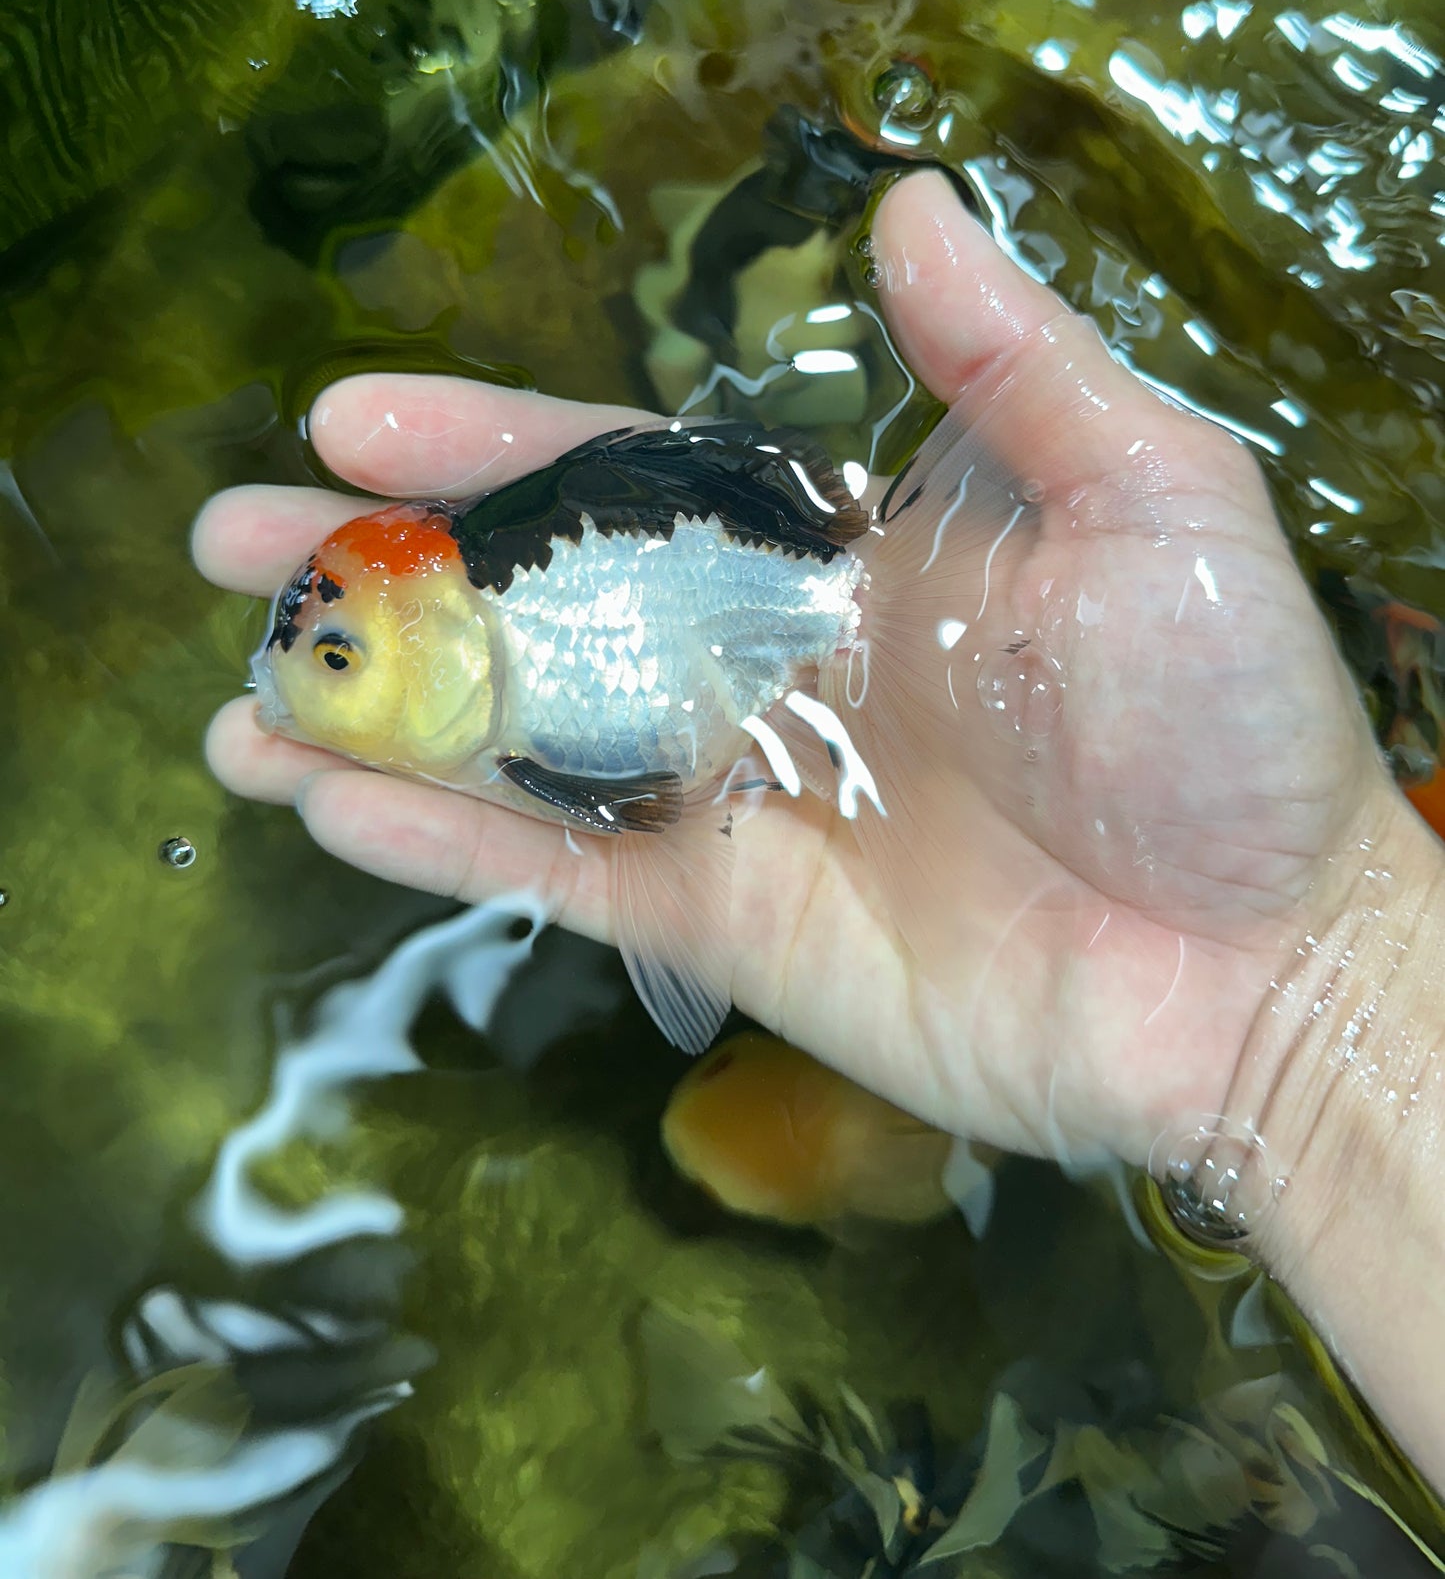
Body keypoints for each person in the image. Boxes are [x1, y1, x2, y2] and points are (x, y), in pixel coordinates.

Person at [192, 170, 1445, 1493]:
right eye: (331, 658)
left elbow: (633, 798)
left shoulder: (545, 643)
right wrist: (1315, 1010)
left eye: (333, 659)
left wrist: (1317, 989)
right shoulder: (496, 671)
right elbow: (632, 810)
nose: (304, 681)